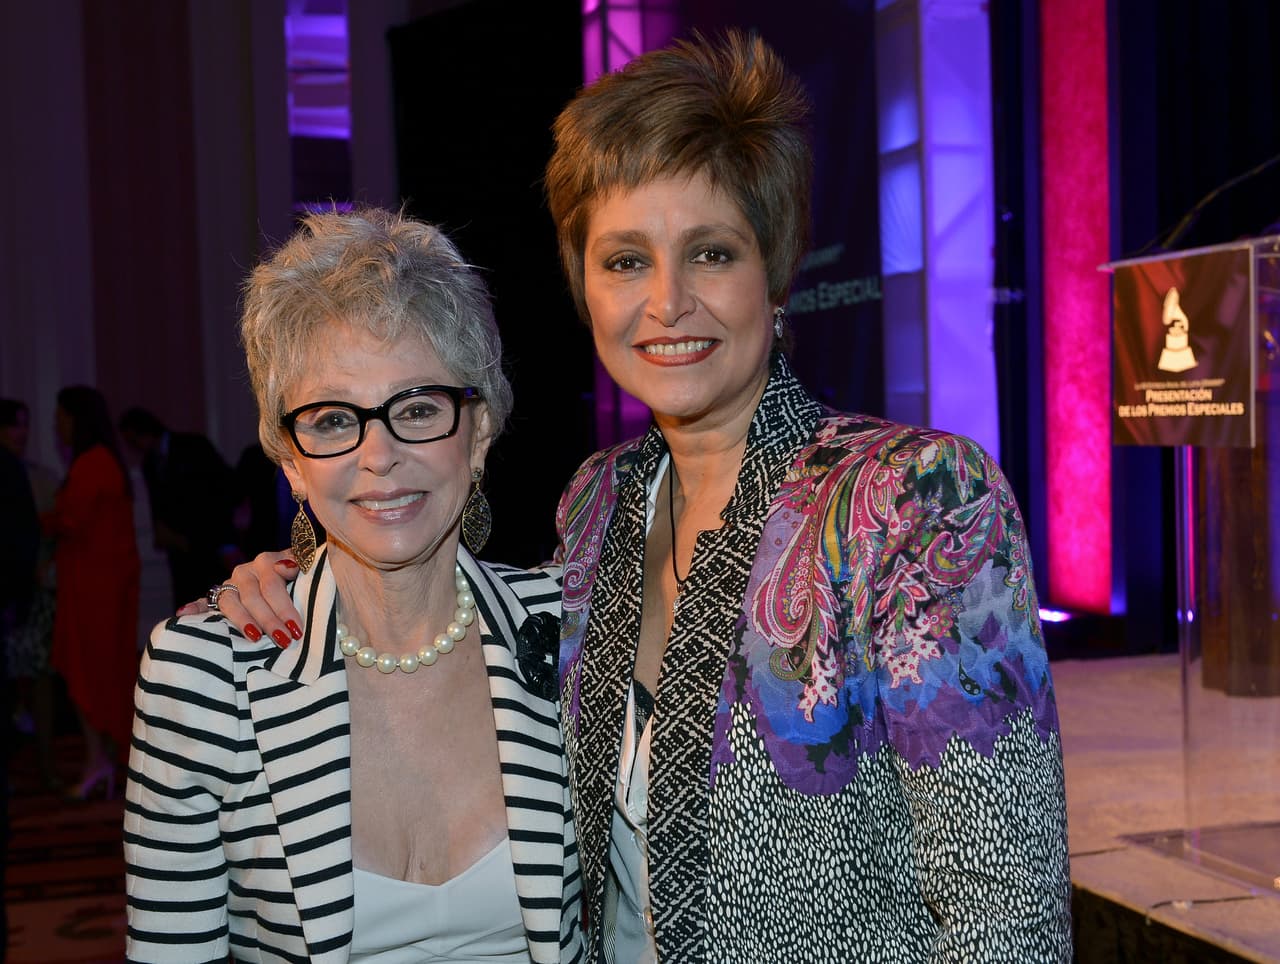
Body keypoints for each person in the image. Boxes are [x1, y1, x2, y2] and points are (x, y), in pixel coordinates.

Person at [209, 31, 1071, 963]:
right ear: (585, 288)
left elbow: (1004, 913)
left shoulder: (906, 500)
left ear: (775, 275)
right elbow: (451, 585)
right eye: (625, 260)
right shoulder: (599, 501)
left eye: (710, 253)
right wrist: (303, 569)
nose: (667, 302)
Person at [124, 209, 582, 962]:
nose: (381, 455)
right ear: (291, 460)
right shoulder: (203, 673)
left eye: (418, 409)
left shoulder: (575, 633)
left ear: (479, 435)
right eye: (334, 420)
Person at [46, 386, 141, 798]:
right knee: (102, 672)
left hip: (94, 589)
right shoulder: (104, 462)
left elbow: (69, 520)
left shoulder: (92, 464)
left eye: (61, 417)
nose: (57, 426)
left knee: (90, 672)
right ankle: (100, 760)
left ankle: (96, 761)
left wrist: (42, 516)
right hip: (100, 585)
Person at [118, 405, 240, 608]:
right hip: (178, 551)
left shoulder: (193, 446)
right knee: (187, 603)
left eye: (134, 440)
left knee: (215, 603)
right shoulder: (149, 463)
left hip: (207, 541)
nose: (135, 447)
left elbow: (220, 491)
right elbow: (158, 503)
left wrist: (225, 542)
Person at [1, 399, 61, 790]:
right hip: (12, 593)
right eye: (12, 426)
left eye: (24, 426)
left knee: (37, 677)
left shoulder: (41, 478)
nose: (20, 434)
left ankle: (44, 764)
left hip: (32, 594)